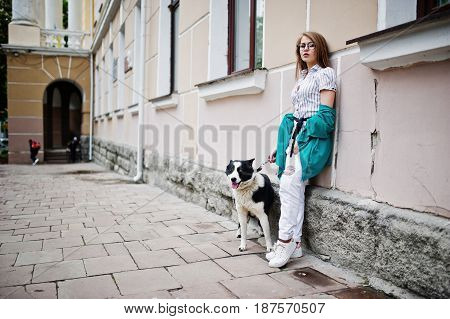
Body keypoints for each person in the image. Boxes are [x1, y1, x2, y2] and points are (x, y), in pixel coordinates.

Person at [266, 32, 337, 268]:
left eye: (310, 45)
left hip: (312, 139)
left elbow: (326, 117)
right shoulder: (303, 77)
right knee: (293, 190)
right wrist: (282, 147)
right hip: (295, 139)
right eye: (301, 46)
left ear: (320, 48)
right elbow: (296, 115)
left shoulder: (325, 74)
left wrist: (302, 138)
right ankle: (295, 245)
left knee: (288, 187)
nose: (305, 49)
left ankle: (284, 241)